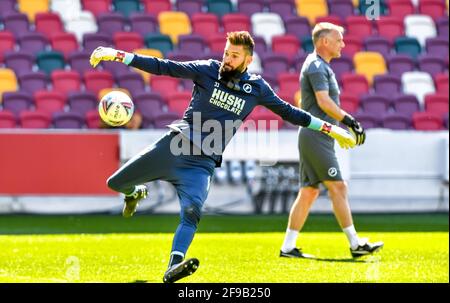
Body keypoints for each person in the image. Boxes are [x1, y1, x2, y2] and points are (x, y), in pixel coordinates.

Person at [89, 31, 356, 283]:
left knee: (192, 212)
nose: (227, 59)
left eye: (234, 55)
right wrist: (118, 54)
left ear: (248, 60)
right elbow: (164, 66)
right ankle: (135, 192)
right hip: (174, 147)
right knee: (115, 183)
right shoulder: (207, 69)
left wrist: (331, 128)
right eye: (227, 53)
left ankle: (173, 266)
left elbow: (290, 113)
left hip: (201, 164)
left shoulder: (257, 88)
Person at [280, 23, 383, 259]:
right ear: (324, 42)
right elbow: (324, 102)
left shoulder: (319, 65)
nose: (342, 44)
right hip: (317, 135)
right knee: (338, 186)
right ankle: (355, 243)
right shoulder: (317, 66)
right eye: (339, 40)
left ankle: (287, 247)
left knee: (308, 192)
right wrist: (350, 120)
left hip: (315, 135)